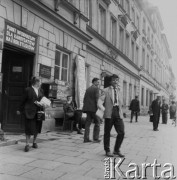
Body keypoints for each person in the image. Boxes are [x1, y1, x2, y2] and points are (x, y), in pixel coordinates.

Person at [98, 74, 125, 157]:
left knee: (121, 132)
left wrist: (121, 110)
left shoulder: (120, 91)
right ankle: (107, 150)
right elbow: (99, 103)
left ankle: (116, 150)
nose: (115, 82)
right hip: (109, 113)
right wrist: (104, 110)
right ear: (110, 81)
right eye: (114, 80)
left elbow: (121, 103)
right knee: (107, 133)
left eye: (117, 80)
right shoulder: (105, 90)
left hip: (118, 113)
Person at [17, 77, 44, 152]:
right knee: (29, 128)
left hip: (39, 111)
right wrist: (19, 109)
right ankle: (27, 144)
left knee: (37, 127)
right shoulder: (28, 90)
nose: (41, 83)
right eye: (40, 82)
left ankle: (34, 142)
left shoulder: (41, 90)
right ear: (36, 82)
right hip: (29, 112)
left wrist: (45, 103)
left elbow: (43, 99)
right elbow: (22, 100)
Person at [83, 78, 100, 143]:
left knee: (87, 123)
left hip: (87, 109)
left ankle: (86, 138)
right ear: (94, 82)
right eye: (98, 82)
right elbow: (97, 99)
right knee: (97, 123)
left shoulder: (88, 89)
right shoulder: (96, 89)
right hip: (94, 109)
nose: (98, 84)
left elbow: (84, 99)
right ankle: (95, 138)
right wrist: (99, 108)